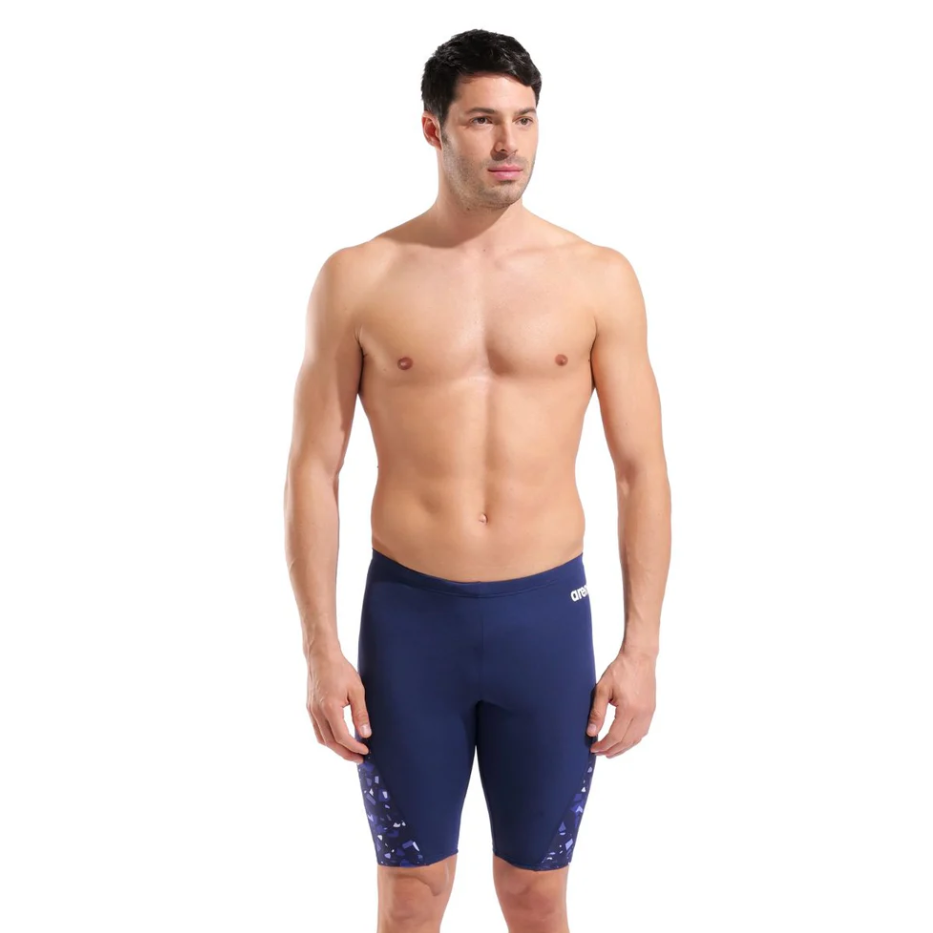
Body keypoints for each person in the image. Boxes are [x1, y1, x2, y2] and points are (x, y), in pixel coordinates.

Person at [284, 27, 671, 933]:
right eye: (483, 121)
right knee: (411, 897)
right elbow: (312, 468)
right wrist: (320, 648)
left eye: (525, 120)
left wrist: (642, 648)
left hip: (546, 620)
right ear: (433, 129)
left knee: (535, 896)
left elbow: (640, 470)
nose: (509, 144)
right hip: (410, 622)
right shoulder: (358, 277)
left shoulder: (598, 277)